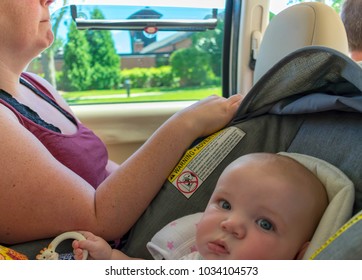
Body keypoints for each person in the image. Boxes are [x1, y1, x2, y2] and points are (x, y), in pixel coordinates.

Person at [0, 0, 242, 246]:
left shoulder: (38, 86)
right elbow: (97, 220)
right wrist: (186, 123)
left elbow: (102, 170)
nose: (49, 1)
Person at [72, 153, 329, 260]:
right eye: (225, 204)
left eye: (265, 224)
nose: (230, 224)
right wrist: (109, 256)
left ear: (298, 254)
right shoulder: (195, 259)